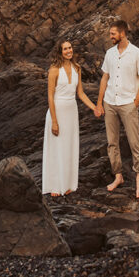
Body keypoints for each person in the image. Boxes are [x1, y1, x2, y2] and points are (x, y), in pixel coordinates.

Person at [94, 18, 139, 198]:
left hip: (128, 103)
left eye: (113, 34)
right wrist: (99, 102)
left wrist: (136, 101)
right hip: (110, 102)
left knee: (134, 141)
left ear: (122, 33)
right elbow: (105, 78)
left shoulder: (137, 54)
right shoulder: (109, 53)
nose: (110, 36)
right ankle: (118, 176)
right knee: (112, 142)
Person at [42, 39, 97, 197]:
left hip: (72, 112)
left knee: (69, 147)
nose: (68, 51)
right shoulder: (54, 70)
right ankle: (54, 185)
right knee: (56, 148)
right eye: (65, 49)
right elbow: (50, 97)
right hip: (57, 111)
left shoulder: (77, 68)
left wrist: (94, 108)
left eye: (70, 48)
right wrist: (54, 121)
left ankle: (67, 184)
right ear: (60, 52)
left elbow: (80, 93)